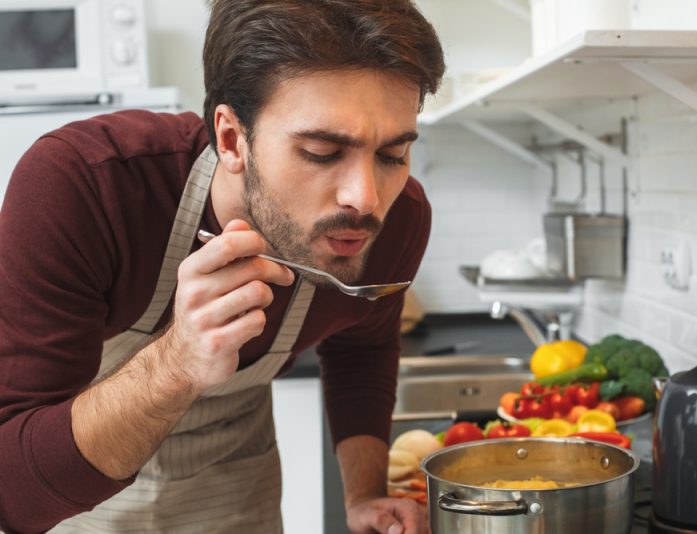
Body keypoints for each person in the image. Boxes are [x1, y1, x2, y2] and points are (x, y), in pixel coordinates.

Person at [0, 0, 445, 532]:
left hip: (234, 482)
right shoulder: (84, 185)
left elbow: (363, 346)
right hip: (74, 492)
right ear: (232, 139)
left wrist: (365, 494)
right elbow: (16, 495)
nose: (366, 198)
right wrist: (176, 362)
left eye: (392, 155)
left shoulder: (398, 219)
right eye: (323, 153)